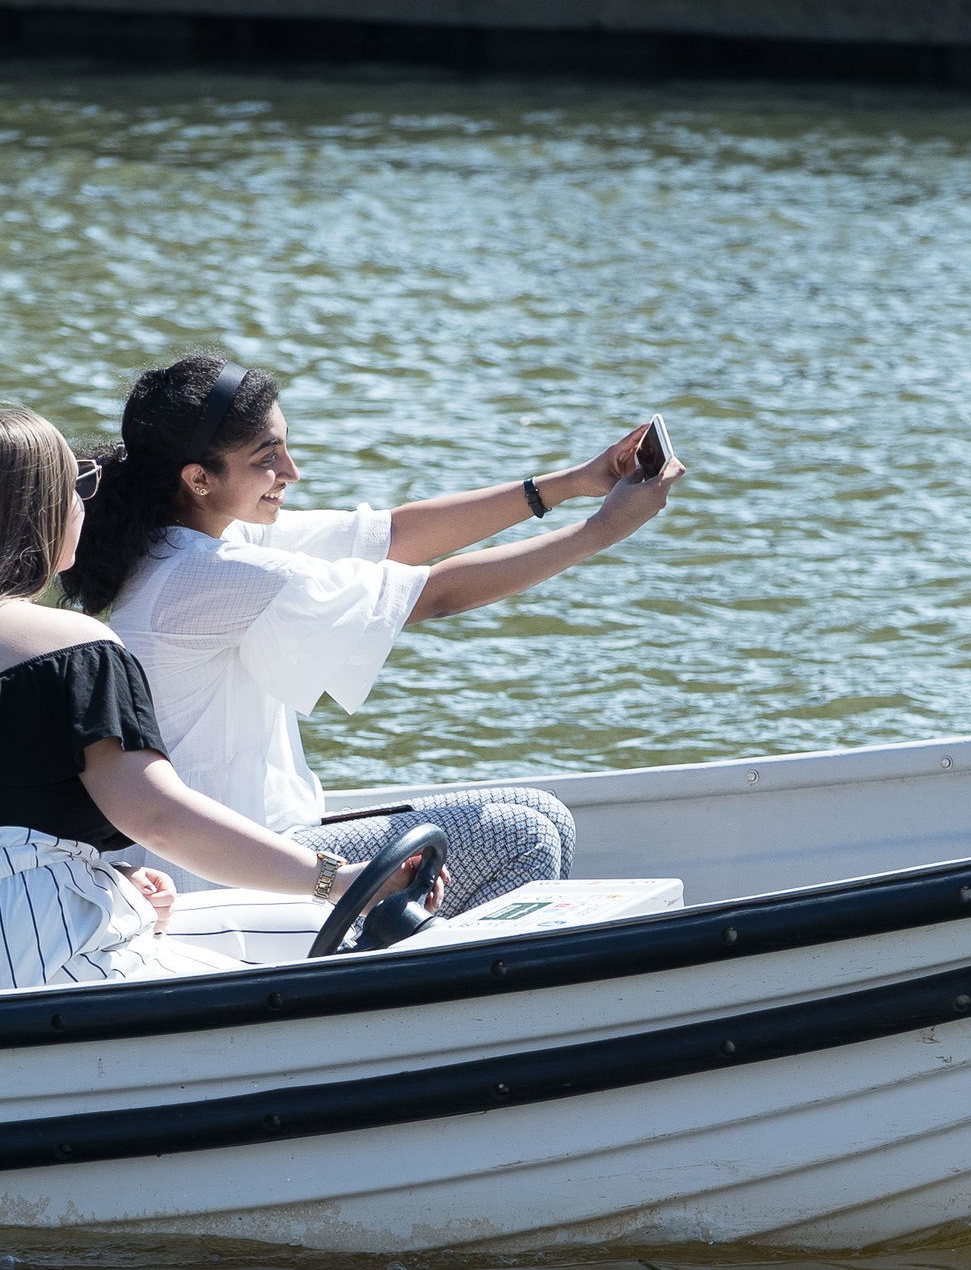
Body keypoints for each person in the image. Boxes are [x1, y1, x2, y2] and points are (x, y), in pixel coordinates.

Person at [62, 354, 682, 911]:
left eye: (284, 446)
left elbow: (396, 537)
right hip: (227, 877)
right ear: (198, 479)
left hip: (255, 844)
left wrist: (575, 481)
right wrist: (604, 531)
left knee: (543, 813)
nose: (292, 471)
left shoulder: (195, 538)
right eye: (267, 458)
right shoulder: (210, 573)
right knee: (522, 836)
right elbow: (433, 595)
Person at [0, 406, 361, 999]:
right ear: (39, 510)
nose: (86, 504)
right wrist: (334, 880)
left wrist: (111, 874)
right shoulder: (72, 645)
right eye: (77, 486)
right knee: (356, 949)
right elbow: (160, 818)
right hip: (54, 976)